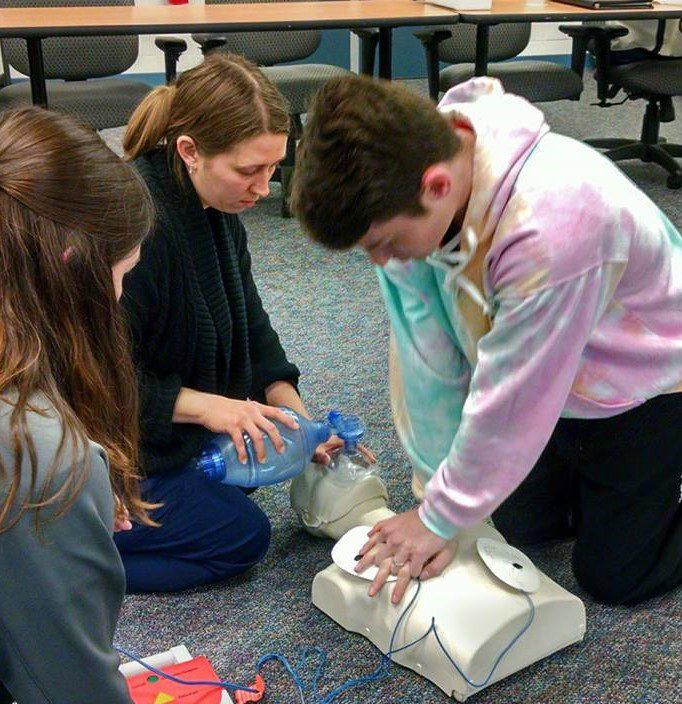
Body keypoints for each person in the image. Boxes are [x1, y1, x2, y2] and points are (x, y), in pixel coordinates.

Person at [291, 74, 682, 607]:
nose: (381, 261)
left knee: (616, 576)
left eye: (382, 244)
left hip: (647, 382)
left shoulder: (556, 226)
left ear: (437, 186)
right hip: (556, 376)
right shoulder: (412, 176)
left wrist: (440, 518)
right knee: (515, 527)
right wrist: (437, 499)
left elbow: (516, 395)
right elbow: (426, 354)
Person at [117, 53, 341, 594]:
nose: (264, 188)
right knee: (239, 537)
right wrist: (207, 406)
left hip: (175, 433)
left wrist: (297, 419)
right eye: (249, 170)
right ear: (190, 151)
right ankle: (65, 562)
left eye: (272, 168)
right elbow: (94, 386)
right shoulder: (135, 226)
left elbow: (253, 327)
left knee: (242, 481)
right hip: (117, 445)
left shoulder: (214, 208)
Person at [0, 107, 154, 703]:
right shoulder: (39, 452)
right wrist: (71, 483)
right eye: (121, 275)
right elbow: (71, 689)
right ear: (71, 267)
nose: (118, 298)